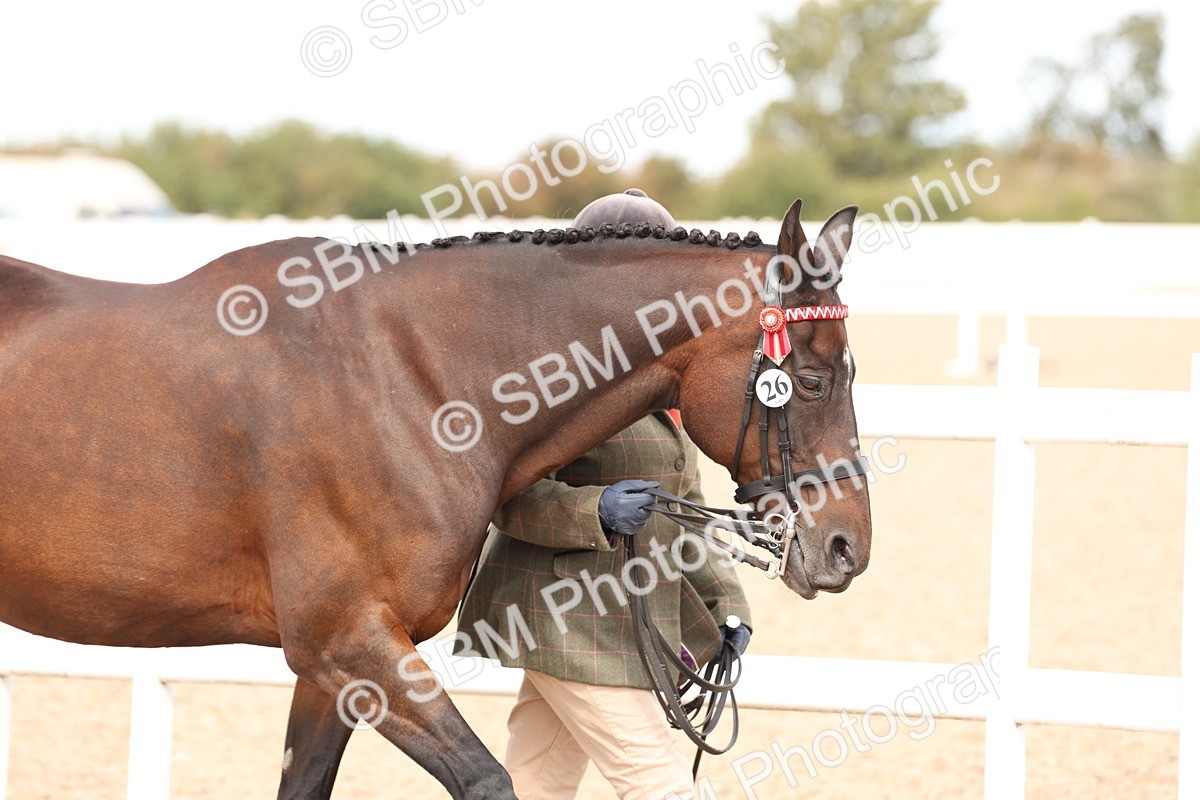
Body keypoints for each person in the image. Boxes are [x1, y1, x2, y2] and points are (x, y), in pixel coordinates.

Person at [457, 189, 752, 800]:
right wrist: (595, 510)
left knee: (535, 785)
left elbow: (687, 508)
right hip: (568, 617)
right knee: (660, 784)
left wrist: (727, 606)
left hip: (613, 622)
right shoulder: (554, 373)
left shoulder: (663, 374)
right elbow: (505, 494)